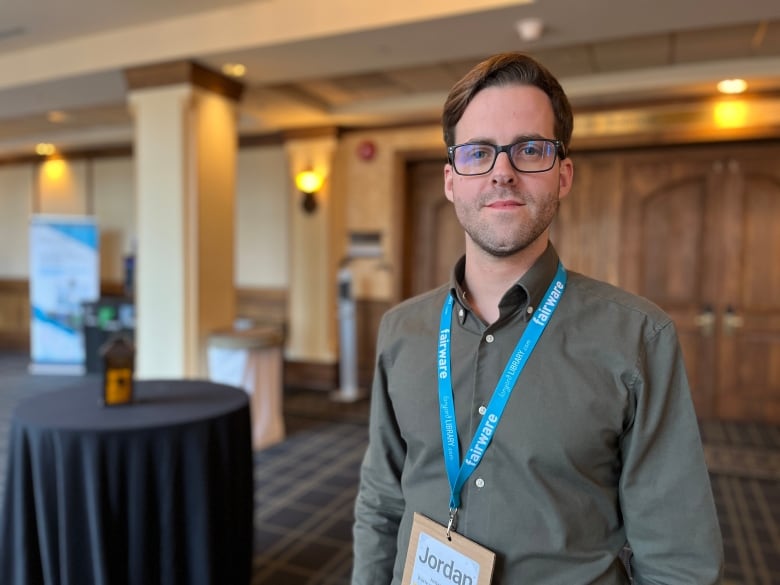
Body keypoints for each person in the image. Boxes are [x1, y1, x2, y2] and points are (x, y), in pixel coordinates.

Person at [351, 52, 723, 584]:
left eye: (529, 149)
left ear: (563, 175)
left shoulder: (638, 338)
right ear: (452, 179)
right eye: (478, 152)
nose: (502, 172)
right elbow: (382, 504)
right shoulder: (401, 331)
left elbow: (679, 558)